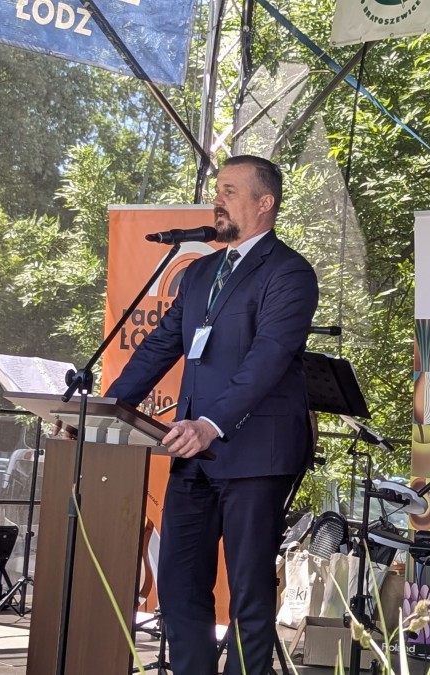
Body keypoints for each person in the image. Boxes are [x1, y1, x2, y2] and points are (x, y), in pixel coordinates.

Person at [105, 155, 319, 675]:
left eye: (228, 191)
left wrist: (210, 424)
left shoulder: (289, 273)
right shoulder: (201, 271)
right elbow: (159, 346)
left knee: (248, 593)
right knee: (179, 587)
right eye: (217, 190)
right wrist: (107, 409)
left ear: (264, 203)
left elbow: (267, 359)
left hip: (255, 456)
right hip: (193, 458)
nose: (216, 200)